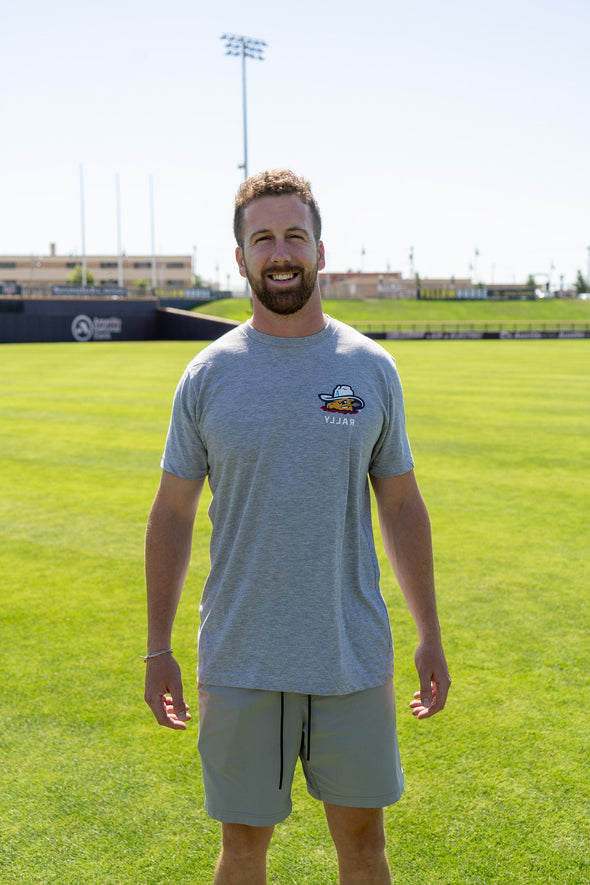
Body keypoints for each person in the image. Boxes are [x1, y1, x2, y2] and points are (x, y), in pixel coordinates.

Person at [144, 169, 451, 885]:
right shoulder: (207, 376)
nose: (279, 251)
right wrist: (156, 647)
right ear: (240, 257)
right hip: (241, 656)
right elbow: (171, 512)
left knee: (364, 845)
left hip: (350, 655)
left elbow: (402, 505)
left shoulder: (370, 368)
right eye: (262, 238)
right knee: (244, 846)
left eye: (293, 235)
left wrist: (429, 632)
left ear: (320, 248)